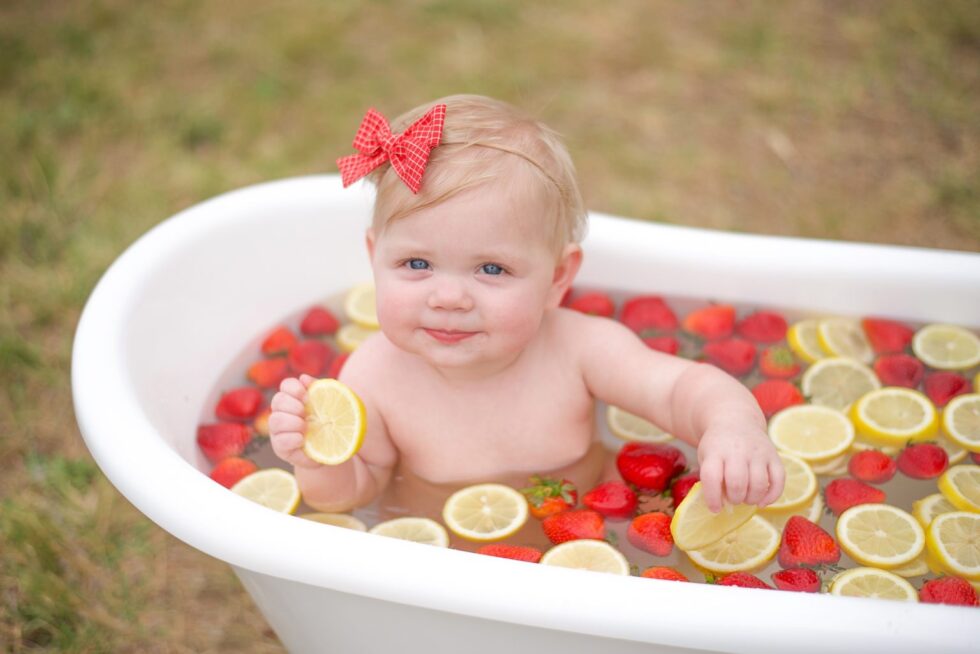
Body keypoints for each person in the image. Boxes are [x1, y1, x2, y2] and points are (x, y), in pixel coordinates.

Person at [269, 94, 784, 515]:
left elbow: (680, 390)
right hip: (443, 563)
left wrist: (732, 424)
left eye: (491, 269)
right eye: (416, 264)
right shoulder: (374, 376)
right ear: (374, 256)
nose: (448, 298)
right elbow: (357, 492)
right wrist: (316, 461)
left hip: (588, 539)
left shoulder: (579, 348)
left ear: (558, 278)